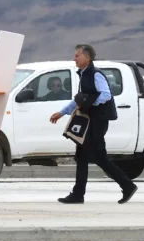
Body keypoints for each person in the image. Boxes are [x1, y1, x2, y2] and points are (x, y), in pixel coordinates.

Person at [50, 44, 138, 205]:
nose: (74, 58)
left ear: (87, 57)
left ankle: (127, 185)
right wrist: (62, 112)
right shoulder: (84, 75)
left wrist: (90, 104)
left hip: (97, 121)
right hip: (90, 121)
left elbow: (105, 95)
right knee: (82, 156)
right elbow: (80, 99)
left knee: (100, 157)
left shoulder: (95, 75)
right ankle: (78, 194)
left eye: (77, 56)